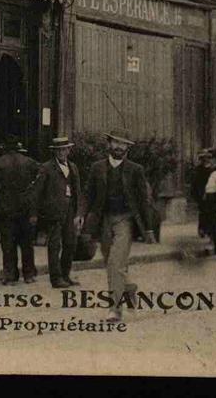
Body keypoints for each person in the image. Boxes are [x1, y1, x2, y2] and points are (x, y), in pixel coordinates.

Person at [84, 128, 156, 322]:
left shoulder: (135, 170)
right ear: (109, 144)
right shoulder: (97, 167)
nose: (119, 147)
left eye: (123, 143)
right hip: (103, 220)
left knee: (116, 264)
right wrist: (80, 216)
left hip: (125, 220)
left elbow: (143, 201)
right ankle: (129, 288)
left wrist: (149, 228)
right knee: (112, 263)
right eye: (115, 142)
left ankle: (114, 309)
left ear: (128, 148)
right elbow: (88, 195)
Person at [27, 136, 82, 289]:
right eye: (59, 150)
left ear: (69, 150)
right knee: (54, 245)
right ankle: (56, 278)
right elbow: (36, 192)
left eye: (64, 149)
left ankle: (65, 275)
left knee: (70, 243)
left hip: (70, 211)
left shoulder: (73, 167)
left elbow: (78, 191)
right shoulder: (46, 168)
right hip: (53, 212)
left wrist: (79, 213)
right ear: (54, 152)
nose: (62, 152)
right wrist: (34, 213)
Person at [0, 138, 40, 284]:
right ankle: (29, 274)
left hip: (6, 209)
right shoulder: (30, 162)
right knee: (27, 243)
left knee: (8, 244)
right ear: (19, 147)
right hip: (25, 208)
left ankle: (11, 276)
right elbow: (37, 185)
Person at [189, 148, 216, 237]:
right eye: (203, 158)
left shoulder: (212, 169)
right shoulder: (198, 169)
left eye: (207, 158)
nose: (205, 160)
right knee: (203, 211)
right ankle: (202, 229)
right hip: (201, 192)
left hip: (209, 191)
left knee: (209, 212)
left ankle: (207, 229)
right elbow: (195, 182)